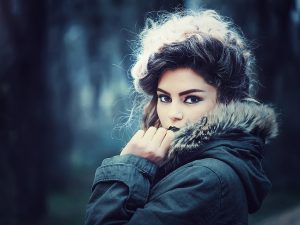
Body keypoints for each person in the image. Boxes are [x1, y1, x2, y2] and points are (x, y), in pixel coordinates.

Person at [85, 9, 278, 225]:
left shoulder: (206, 178)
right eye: (164, 98)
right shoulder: (186, 164)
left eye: (191, 99)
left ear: (226, 101)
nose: (173, 115)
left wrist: (129, 166)